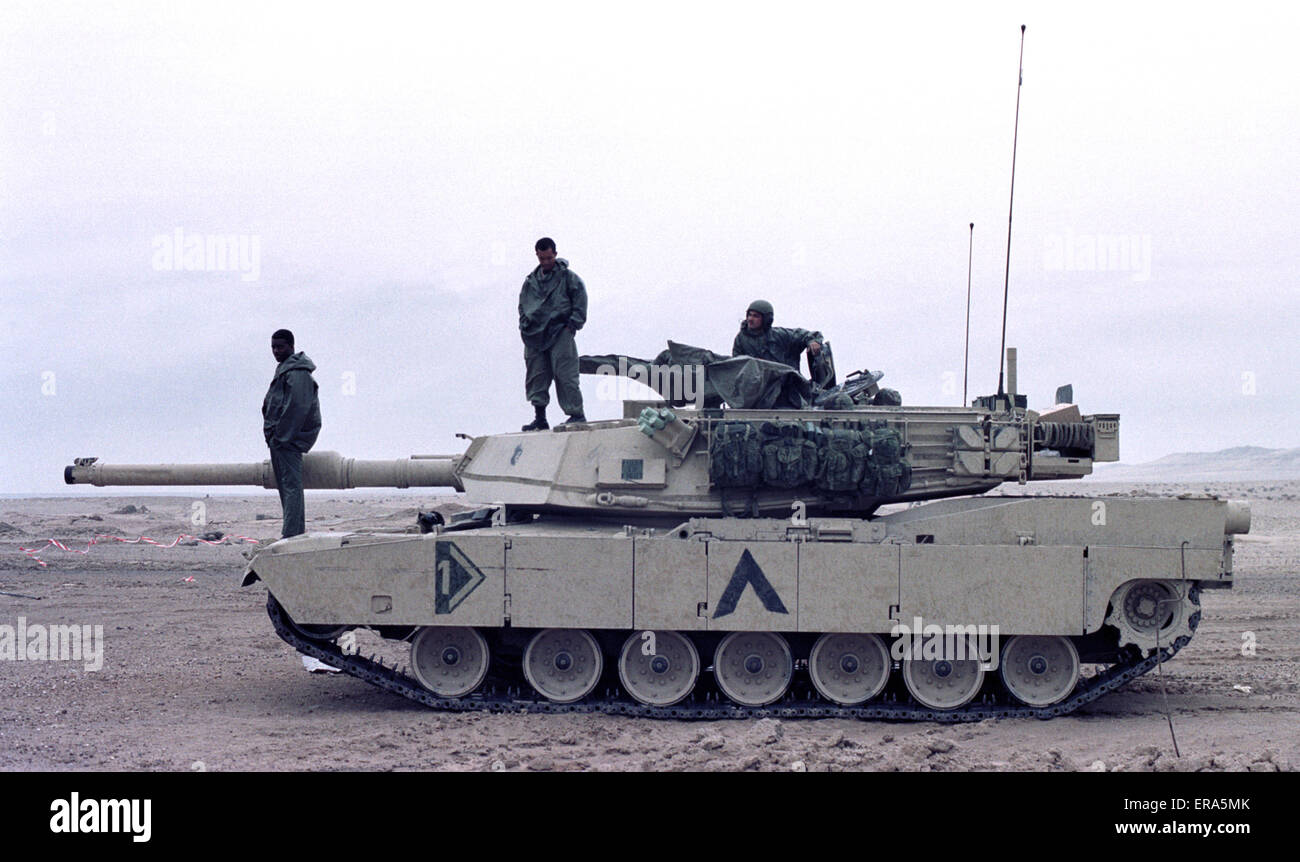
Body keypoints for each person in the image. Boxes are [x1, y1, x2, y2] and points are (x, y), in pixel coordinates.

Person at [518, 237, 586, 430]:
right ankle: (540, 418)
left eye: (549, 258)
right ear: (537, 256)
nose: (546, 262)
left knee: (566, 374)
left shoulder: (568, 278)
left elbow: (580, 300)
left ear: (555, 254)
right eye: (542, 258)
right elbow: (522, 304)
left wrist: (573, 324)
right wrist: (524, 325)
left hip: (560, 331)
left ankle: (576, 414)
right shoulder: (531, 282)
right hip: (535, 334)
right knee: (536, 375)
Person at [262, 329, 321, 538]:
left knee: (291, 487)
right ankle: (293, 532)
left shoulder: (297, 372)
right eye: (273, 347)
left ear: (291, 346)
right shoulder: (287, 370)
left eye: (281, 347)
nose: (276, 351)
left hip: (287, 440)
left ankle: (291, 535)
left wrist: (281, 436)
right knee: (287, 487)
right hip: (280, 440)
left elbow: (298, 406)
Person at [731, 299, 824, 371]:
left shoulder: (780, 336)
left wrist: (813, 341)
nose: (750, 319)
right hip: (758, 390)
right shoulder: (741, 340)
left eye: (756, 316)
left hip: (787, 388)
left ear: (767, 319)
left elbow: (807, 335)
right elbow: (737, 366)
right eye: (749, 315)